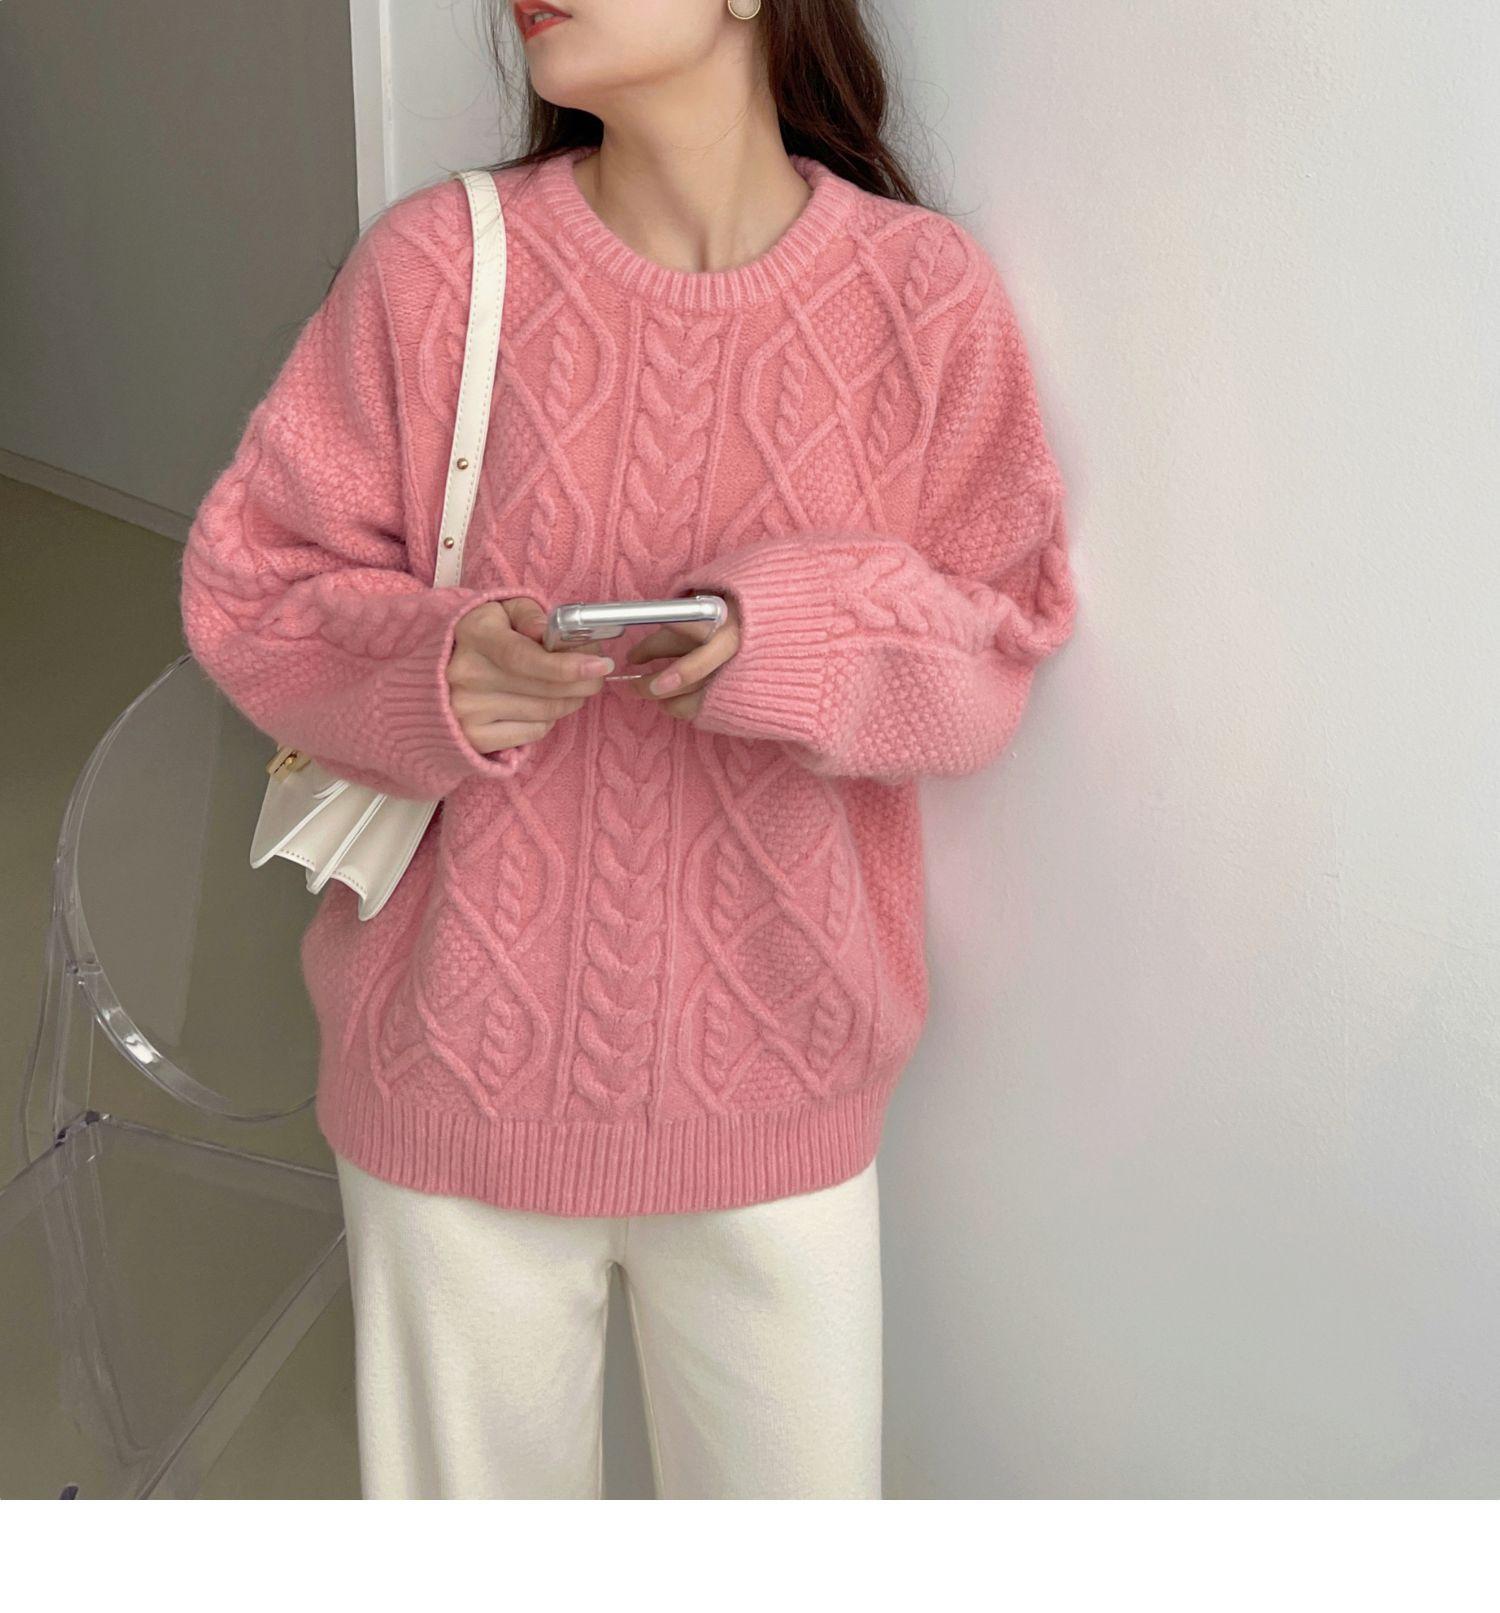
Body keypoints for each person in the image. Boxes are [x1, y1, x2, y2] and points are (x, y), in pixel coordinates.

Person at [179, 0, 1078, 1499]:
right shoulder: (439, 267)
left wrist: (792, 636)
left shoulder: (921, 295)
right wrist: (432, 667)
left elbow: (999, 650)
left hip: (780, 1091)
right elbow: (250, 586)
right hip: (450, 1083)